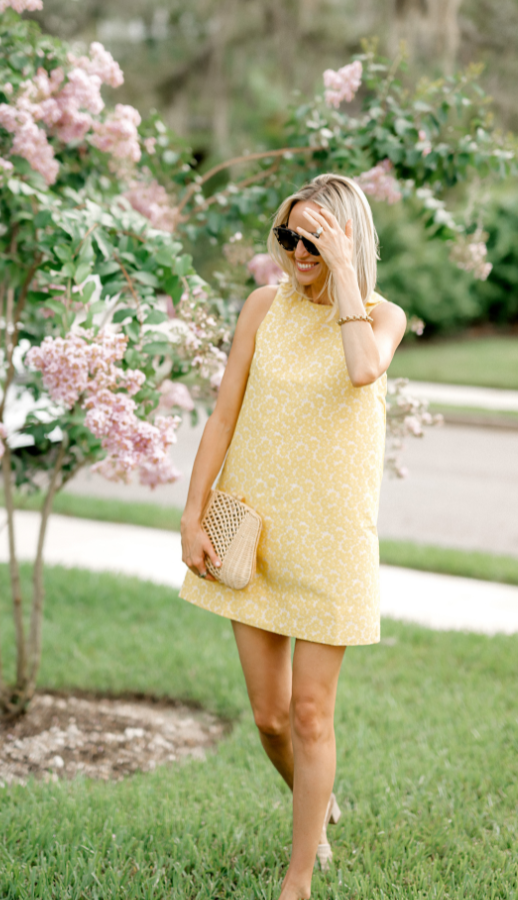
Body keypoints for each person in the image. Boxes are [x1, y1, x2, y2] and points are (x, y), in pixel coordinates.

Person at [179, 173, 406, 900]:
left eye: (315, 239)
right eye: (289, 235)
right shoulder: (261, 306)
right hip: (255, 531)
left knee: (310, 714)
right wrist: (192, 514)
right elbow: (223, 414)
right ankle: (319, 797)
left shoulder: (381, 316)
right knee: (270, 717)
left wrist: (344, 276)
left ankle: (299, 877)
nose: (298, 251)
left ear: (346, 239)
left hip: (332, 542)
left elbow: (363, 369)